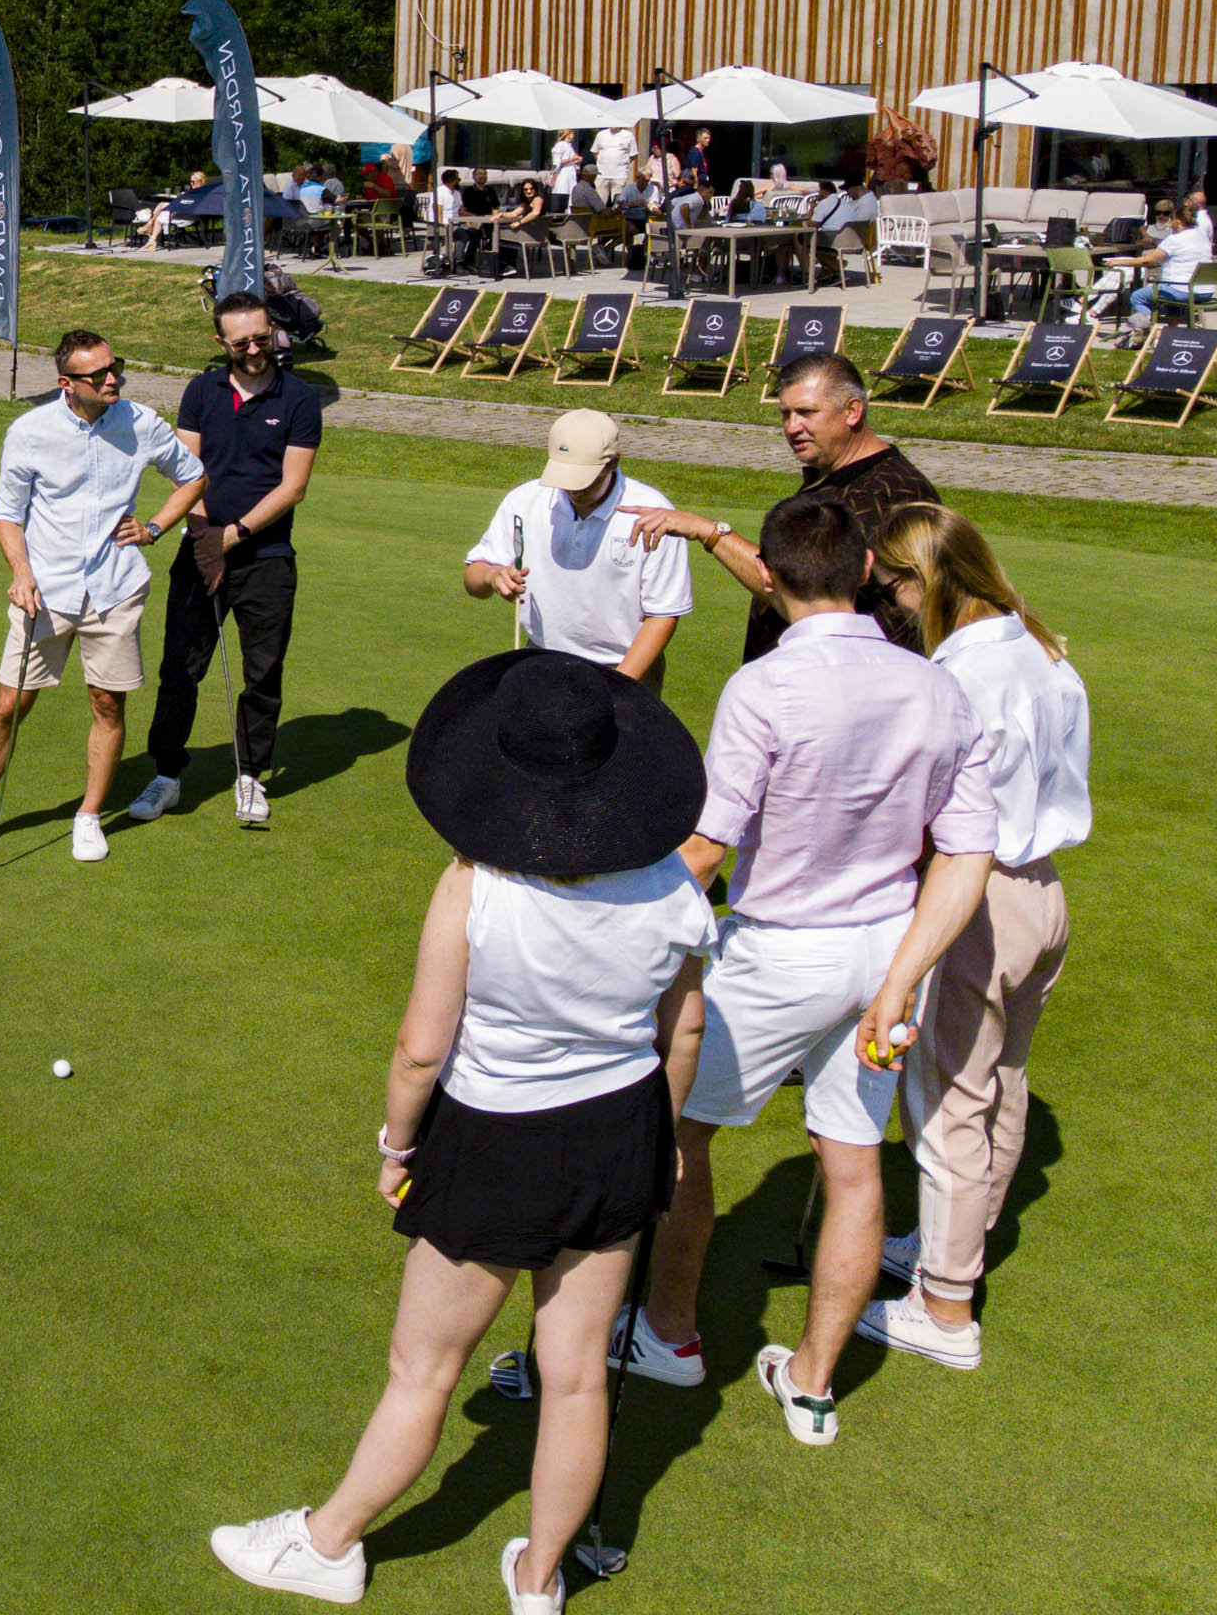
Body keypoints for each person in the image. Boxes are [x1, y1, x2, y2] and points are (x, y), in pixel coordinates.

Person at [210, 649, 712, 1614]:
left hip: (493, 1143)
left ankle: (329, 1544)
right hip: (619, 1134)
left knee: (423, 1371)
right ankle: (538, 1580)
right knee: (575, 1383)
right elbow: (680, 1030)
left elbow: (417, 1053)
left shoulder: (474, 886)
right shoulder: (676, 887)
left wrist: (398, 1148)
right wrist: (664, 1135)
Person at [621, 493, 995, 1449]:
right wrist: (906, 975)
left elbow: (711, 843)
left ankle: (665, 1332)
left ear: (776, 579)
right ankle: (814, 1382)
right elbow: (965, 854)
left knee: (681, 1138)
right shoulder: (936, 686)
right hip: (881, 950)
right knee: (855, 1163)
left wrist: (605, 905)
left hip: (778, 954)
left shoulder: (765, 689)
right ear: (867, 568)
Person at [859, 504, 1091, 1372]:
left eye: (891, 584)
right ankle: (952, 1241)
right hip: (1043, 896)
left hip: (981, 894)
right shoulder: (1040, 646)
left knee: (951, 1094)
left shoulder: (961, 676)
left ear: (926, 580)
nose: (887, 601)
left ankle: (946, 1307)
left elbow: (940, 807)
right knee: (1001, 1078)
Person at [0, 331, 207, 866]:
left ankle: (88, 816)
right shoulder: (30, 432)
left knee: (108, 702)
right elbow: (8, 513)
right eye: (99, 374)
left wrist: (153, 527)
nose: (114, 379)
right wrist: (20, 570)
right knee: (11, 705)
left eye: (116, 367)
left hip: (114, 589)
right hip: (45, 591)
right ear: (66, 383)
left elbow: (193, 476)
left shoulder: (141, 422)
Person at [129, 293, 321, 831]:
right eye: (243, 342)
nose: (256, 349)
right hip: (201, 550)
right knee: (179, 671)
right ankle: (167, 774)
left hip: (266, 557)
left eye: (264, 337)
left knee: (262, 674)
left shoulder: (300, 397)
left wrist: (230, 537)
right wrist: (205, 537)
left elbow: (294, 487)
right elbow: (184, 472)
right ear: (223, 344)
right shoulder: (201, 390)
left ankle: (252, 775)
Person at [631, 352, 938, 661]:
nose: (792, 427)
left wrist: (711, 533)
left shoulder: (891, 492)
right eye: (785, 414)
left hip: (850, 682)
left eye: (806, 412)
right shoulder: (833, 475)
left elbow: (805, 593)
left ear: (852, 411)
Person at [465, 410, 691, 690]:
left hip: (626, 668)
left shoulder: (654, 514)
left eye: (584, 478)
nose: (574, 489)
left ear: (613, 463)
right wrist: (492, 576)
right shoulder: (524, 501)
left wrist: (621, 687)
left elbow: (664, 613)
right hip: (541, 657)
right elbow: (474, 579)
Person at [1098, 189, 1214, 338]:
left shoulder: (1175, 239)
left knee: (1138, 297)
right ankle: (1170, 333)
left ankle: (1149, 330)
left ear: (1177, 221)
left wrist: (1119, 262)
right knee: (1169, 296)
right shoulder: (1201, 236)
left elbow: (1149, 260)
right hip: (1205, 290)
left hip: (1184, 290)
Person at [591, 121, 637, 205]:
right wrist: (603, 162)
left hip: (619, 175)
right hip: (602, 174)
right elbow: (595, 152)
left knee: (617, 203)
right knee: (599, 203)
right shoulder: (601, 134)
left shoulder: (628, 135)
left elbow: (633, 155)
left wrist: (622, 163)